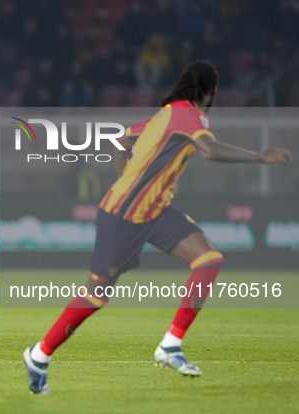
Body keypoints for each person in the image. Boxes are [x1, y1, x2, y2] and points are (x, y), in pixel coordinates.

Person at [22, 60, 292, 394]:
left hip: (157, 211)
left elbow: (121, 141)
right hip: (122, 215)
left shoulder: (166, 114)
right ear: (213, 92)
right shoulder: (192, 116)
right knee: (96, 296)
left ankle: (170, 345)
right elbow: (207, 149)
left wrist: (127, 177)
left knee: (208, 260)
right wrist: (262, 158)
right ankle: (39, 354)